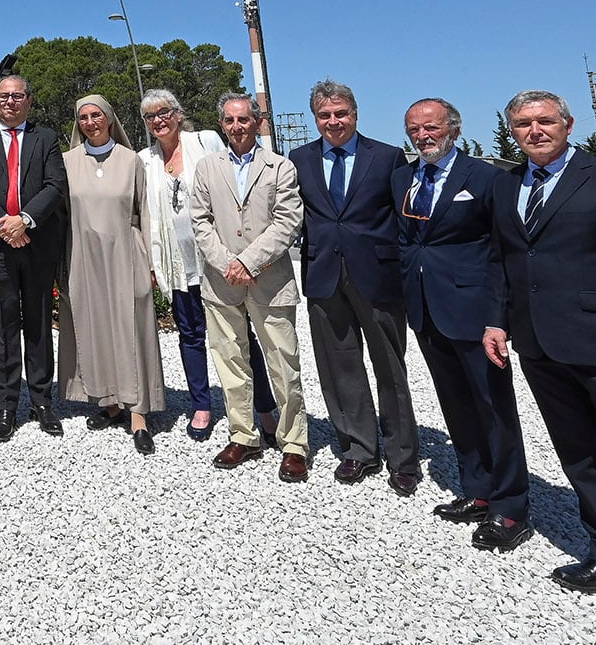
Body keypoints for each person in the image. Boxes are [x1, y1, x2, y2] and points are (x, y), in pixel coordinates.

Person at [483, 90, 596, 628]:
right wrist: (497, 320)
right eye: (522, 123)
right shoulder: (506, 185)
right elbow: (501, 260)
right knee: (580, 457)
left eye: (545, 121)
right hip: (539, 346)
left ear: (567, 124)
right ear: (511, 130)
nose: (534, 130)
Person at [392, 97, 530, 551]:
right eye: (414, 129)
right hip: (428, 310)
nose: (422, 136)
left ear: (452, 128)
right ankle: (477, 489)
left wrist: (499, 317)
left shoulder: (486, 178)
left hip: (474, 313)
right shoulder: (404, 179)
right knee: (456, 405)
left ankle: (511, 508)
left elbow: (501, 251)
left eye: (430, 127)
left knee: (493, 408)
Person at [290, 79, 419, 493]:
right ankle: (359, 448)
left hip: (377, 276)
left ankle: (403, 456)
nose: (334, 121)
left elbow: (404, 219)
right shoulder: (298, 159)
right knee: (338, 366)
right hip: (324, 277)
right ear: (315, 119)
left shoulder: (387, 157)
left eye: (341, 113)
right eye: (325, 115)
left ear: (355, 114)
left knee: (389, 366)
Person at [137, 90, 280, 444]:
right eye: (150, 116)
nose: (158, 120)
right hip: (175, 263)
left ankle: (262, 407)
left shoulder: (205, 142)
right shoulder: (145, 160)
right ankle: (201, 405)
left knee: (239, 335)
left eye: (164, 112)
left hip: (218, 261)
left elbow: (233, 190)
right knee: (190, 335)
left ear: (178, 112)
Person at [190, 93, 309, 482]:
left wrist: (248, 262)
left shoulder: (280, 167)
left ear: (258, 122)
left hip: (269, 281)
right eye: (229, 121)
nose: (237, 127)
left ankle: (293, 444)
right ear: (221, 124)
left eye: (244, 120)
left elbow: (288, 222)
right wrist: (228, 264)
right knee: (231, 362)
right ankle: (243, 434)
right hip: (221, 282)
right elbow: (200, 221)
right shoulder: (207, 168)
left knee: (283, 363)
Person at [0, 74, 69, 442]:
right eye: (4, 96)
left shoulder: (47, 138)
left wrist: (23, 221)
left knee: (38, 323)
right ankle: (7, 404)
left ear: (29, 100)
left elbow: (55, 185)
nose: (10, 102)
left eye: (17, 96)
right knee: (3, 328)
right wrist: (3, 224)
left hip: (36, 242)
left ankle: (42, 401)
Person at [58, 94, 163, 454]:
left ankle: (138, 413)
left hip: (125, 255)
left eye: (97, 115)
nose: (90, 122)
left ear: (109, 117)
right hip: (84, 258)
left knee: (132, 328)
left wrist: (150, 262)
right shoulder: (68, 162)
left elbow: (144, 212)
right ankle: (109, 401)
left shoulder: (130, 160)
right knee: (96, 327)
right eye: (83, 117)